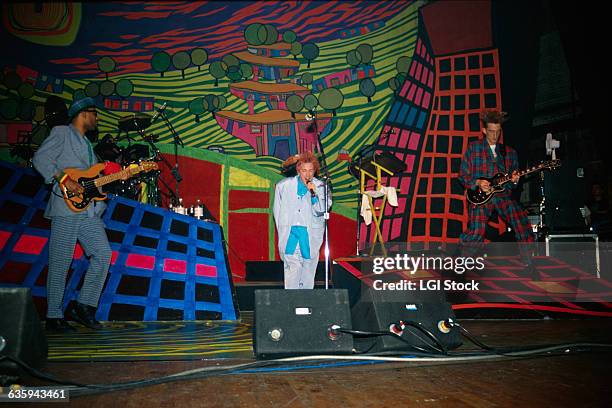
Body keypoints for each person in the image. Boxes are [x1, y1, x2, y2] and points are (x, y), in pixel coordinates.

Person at [33, 97, 112, 332]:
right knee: (61, 261)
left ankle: (83, 306)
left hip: (87, 211)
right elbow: (41, 159)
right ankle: (54, 316)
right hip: (65, 208)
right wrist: (64, 178)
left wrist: (115, 178)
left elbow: (92, 180)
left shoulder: (87, 145)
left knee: (103, 253)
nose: (97, 118)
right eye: (94, 114)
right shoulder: (61, 133)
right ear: (83, 114)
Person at [458, 110, 535, 274]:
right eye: (491, 132)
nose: (495, 136)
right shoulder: (473, 148)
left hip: (502, 196)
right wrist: (477, 182)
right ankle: (461, 265)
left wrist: (515, 179)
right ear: (484, 130)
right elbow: (463, 176)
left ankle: (529, 264)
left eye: (498, 132)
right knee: (477, 231)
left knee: (522, 223)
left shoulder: (510, 152)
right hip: (480, 196)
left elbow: (513, 183)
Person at [273, 152, 331, 289]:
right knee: (292, 269)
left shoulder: (321, 187)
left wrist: (314, 194)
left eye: (311, 170)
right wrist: (282, 228)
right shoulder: (284, 186)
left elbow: (322, 210)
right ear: (299, 170)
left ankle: (305, 303)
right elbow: (277, 211)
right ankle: (292, 303)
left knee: (308, 270)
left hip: (309, 234)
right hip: (290, 233)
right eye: (304, 170)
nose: (308, 174)